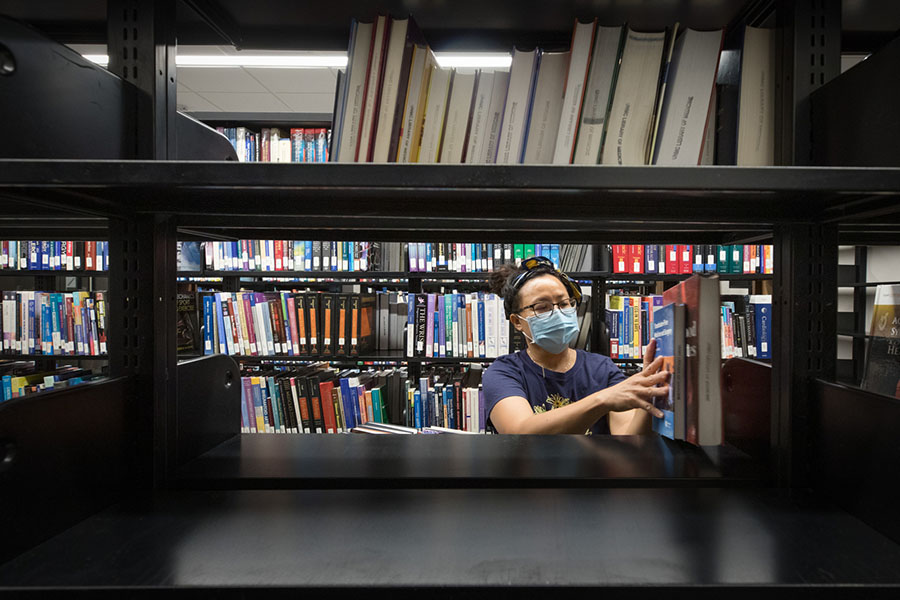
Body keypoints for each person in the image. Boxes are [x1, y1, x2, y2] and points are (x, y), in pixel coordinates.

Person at [483, 256, 669, 435]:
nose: (557, 313)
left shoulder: (601, 369)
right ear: (517, 321)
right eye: (542, 307)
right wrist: (603, 400)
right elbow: (521, 432)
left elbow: (629, 439)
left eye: (564, 304)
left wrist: (648, 395)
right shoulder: (504, 372)